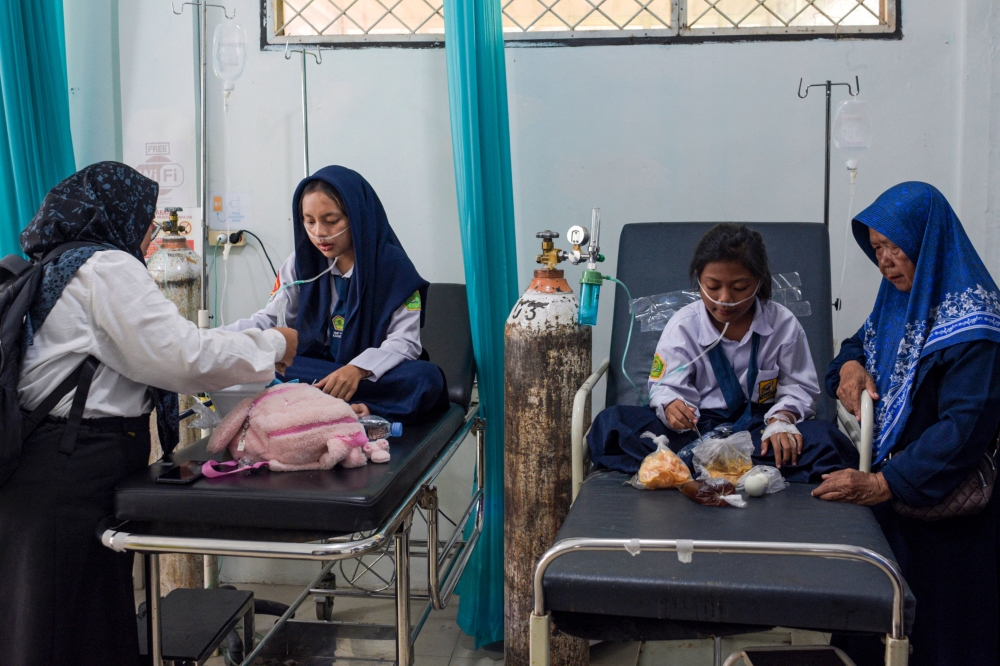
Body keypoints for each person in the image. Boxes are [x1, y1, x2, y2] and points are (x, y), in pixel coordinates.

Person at [0, 162, 297, 666]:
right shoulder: (105, 268)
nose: (151, 231)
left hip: (44, 470)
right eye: (148, 218)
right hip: (69, 473)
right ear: (119, 212)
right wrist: (273, 344)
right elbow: (182, 358)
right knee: (64, 630)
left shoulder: (54, 263)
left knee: (55, 624)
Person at [815, 182, 1000, 666]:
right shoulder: (898, 304)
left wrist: (882, 482)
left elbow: (963, 428)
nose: (885, 261)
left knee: (939, 638)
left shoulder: (975, 324)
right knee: (877, 629)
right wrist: (851, 368)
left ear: (929, 243)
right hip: (897, 509)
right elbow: (858, 346)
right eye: (877, 249)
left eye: (896, 246)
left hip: (948, 519)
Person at [588, 223, 858, 481]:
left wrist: (781, 420)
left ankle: (685, 465)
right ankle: (732, 466)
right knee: (610, 424)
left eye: (739, 287)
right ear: (699, 280)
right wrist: (671, 405)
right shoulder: (684, 325)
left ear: (759, 281)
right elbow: (665, 385)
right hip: (695, 429)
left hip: (758, 429)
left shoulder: (783, 325)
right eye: (713, 286)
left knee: (829, 441)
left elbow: (799, 388)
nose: (725, 298)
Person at [224, 165, 449, 423]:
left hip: (369, 376)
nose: (319, 233)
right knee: (261, 363)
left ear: (358, 217)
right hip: (321, 369)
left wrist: (358, 369)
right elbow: (270, 319)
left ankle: (327, 405)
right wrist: (220, 340)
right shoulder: (301, 263)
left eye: (331, 221)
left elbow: (405, 342)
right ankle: (345, 407)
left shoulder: (393, 268)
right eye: (309, 222)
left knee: (425, 379)